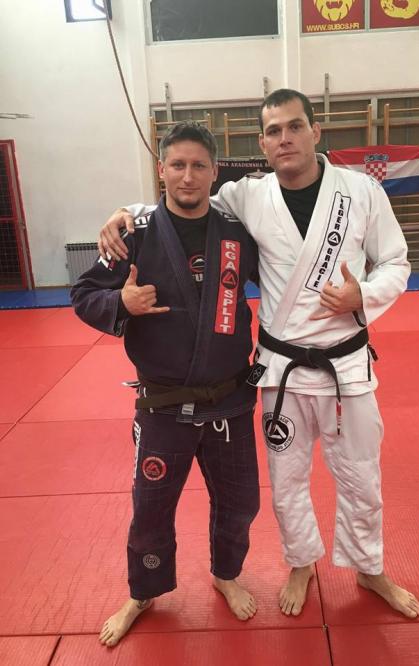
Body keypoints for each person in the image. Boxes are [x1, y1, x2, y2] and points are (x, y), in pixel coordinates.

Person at [98, 89, 419, 620]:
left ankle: (369, 567)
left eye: (294, 126)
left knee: (362, 475)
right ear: (262, 143)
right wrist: (126, 212)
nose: (285, 138)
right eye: (274, 131)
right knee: (286, 480)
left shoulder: (362, 192)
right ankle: (301, 562)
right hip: (282, 370)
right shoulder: (247, 195)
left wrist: (362, 295)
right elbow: (184, 202)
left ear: (316, 131)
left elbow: (396, 262)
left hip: (346, 367)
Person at [71, 121, 261, 647]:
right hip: (162, 406)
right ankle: (144, 591)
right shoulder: (132, 234)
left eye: (199, 165)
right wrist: (120, 303)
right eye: (177, 164)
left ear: (215, 172)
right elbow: (83, 293)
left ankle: (226, 574)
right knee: (151, 506)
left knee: (241, 501)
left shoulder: (237, 232)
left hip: (229, 399)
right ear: (161, 170)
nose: (188, 176)